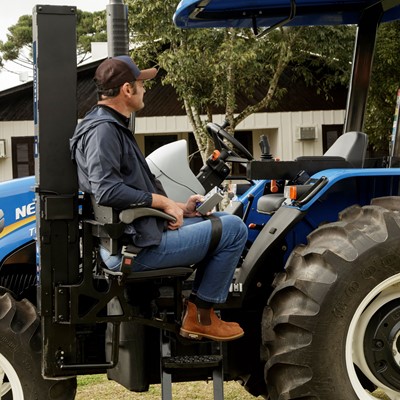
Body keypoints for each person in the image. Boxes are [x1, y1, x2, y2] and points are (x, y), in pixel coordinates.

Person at [70, 55, 247, 341]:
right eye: (141, 84)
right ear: (127, 89)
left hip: (134, 237)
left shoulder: (106, 125)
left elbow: (129, 188)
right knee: (235, 230)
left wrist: (180, 207)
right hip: (133, 250)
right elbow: (107, 190)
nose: (145, 90)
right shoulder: (104, 132)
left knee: (222, 218)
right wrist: (163, 203)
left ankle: (200, 309)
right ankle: (200, 315)